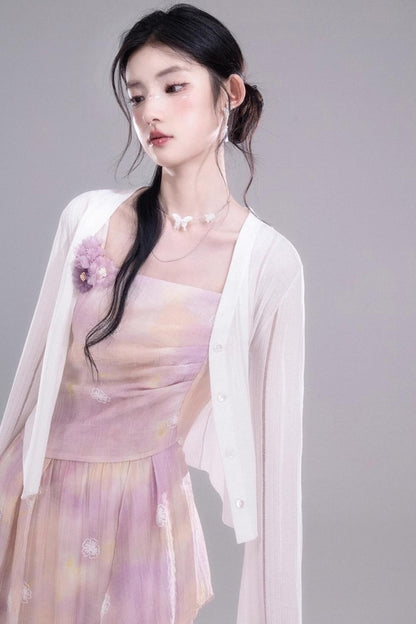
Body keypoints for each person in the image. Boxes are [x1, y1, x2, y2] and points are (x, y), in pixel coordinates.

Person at [0, 4, 305, 623]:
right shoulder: (88, 218)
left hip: (143, 511)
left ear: (230, 94)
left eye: (173, 87)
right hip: (36, 491)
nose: (150, 113)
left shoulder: (267, 263)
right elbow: (32, 384)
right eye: (137, 96)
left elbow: (276, 465)